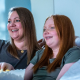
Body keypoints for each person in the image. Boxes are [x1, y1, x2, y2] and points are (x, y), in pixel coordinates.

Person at [23, 15, 80, 80]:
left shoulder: (73, 53)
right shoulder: (40, 54)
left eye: (52, 27)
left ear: (65, 31)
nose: (45, 32)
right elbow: (25, 78)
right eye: (44, 29)